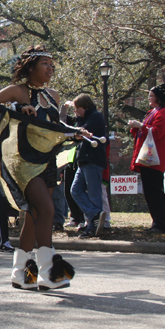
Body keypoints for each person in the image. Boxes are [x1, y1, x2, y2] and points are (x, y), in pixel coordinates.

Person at [0, 45, 74, 290]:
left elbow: (55, 126)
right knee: (47, 209)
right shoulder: (17, 91)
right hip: (23, 162)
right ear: (31, 67)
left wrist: (74, 133)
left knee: (35, 215)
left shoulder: (53, 95)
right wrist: (15, 109)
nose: (50, 68)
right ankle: (48, 272)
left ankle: (20, 273)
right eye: (45, 64)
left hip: (47, 161)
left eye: (52, 65)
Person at [128, 83, 165, 234]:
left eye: (151, 95)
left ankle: (161, 223)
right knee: (149, 191)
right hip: (146, 157)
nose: (149, 98)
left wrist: (140, 125)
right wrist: (136, 127)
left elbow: (157, 132)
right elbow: (143, 132)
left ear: (158, 98)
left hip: (155, 157)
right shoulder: (152, 112)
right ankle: (156, 221)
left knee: (155, 190)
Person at [60, 94, 108, 238]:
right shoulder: (84, 118)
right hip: (84, 160)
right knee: (75, 190)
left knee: (94, 194)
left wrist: (79, 131)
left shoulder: (95, 116)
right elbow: (75, 129)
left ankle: (93, 225)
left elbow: (81, 132)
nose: (75, 112)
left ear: (84, 107)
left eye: (76, 109)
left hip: (93, 160)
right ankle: (95, 216)